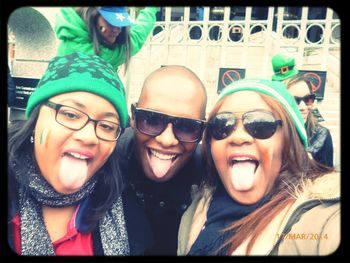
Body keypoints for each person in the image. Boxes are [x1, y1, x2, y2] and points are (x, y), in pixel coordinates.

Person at [178, 79, 339, 255]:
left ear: (289, 143)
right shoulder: (196, 208)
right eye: (222, 126)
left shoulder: (320, 217)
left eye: (261, 125)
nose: (238, 137)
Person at [7, 52, 133, 255]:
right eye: (70, 114)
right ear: (35, 121)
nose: (89, 137)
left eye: (107, 126)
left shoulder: (128, 209)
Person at [117, 65, 207, 255]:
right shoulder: (104, 164)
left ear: (201, 132)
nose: (167, 140)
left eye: (187, 126)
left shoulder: (211, 179)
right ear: (133, 117)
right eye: (151, 120)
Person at [54, 6, 157, 74]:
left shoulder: (70, 35)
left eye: (120, 24)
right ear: (92, 17)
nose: (118, 30)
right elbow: (139, 35)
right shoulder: (100, 55)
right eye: (110, 21)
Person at [286, 74, 334, 167]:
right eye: (294, 101)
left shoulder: (322, 135)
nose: (303, 107)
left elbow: (328, 177)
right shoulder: (269, 133)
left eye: (308, 99)